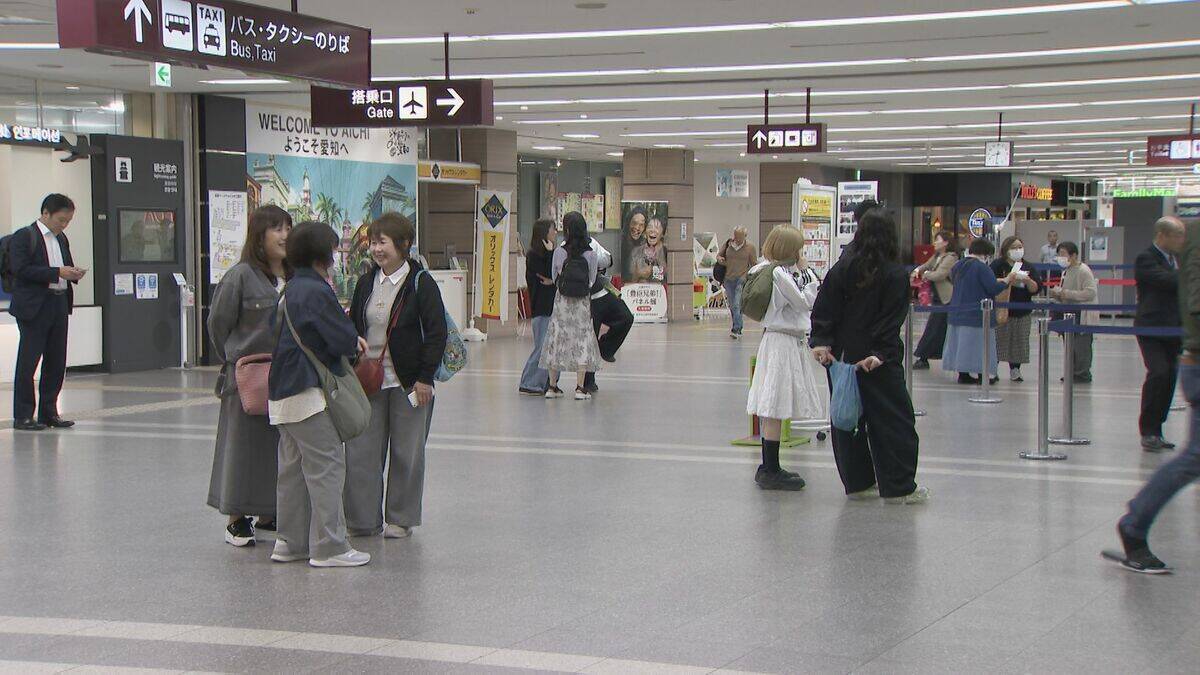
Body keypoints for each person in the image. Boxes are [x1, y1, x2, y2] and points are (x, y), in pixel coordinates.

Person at [267, 221, 370, 568]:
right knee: (326, 465)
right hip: (308, 393)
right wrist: (352, 341)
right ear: (321, 254)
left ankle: (290, 542)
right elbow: (340, 338)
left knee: (293, 470)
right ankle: (331, 546)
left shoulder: (289, 289)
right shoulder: (315, 290)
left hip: (281, 394)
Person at [811, 208, 927, 504]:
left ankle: (858, 482)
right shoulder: (894, 274)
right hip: (876, 360)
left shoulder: (843, 267)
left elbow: (825, 306)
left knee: (847, 418)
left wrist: (822, 342)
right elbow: (890, 320)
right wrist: (879, 353)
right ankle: (899, 486)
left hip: (841, 357)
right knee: (894, 422)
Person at [345, 213, 448, 540]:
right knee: (362, 452)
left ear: (403, 245)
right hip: (368, 382)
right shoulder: (366, 283)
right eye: (373, 242)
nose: (376, 249)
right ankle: (361, 520)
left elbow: (436, 333)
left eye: (383, 242)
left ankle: (400, 518)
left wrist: (424, 377)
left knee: (407, 453)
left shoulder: (421, 284)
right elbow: (355, 326)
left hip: (407, 383)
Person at [1106, 219, 1200, 574]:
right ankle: (1134, 524)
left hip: (1180, 340)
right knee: (1194, 457)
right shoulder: (1177, 249)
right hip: (1180, 344)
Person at [206, 205, 292, 547]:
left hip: (286, 376)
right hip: (247, 378)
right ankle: (236, 518)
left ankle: (269, 511)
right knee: (242, 447)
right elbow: (217, 325)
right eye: (277, 229)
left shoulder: (294, 276)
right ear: (259, 235)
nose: (285, 235)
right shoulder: (240, 276)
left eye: (288, 228)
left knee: (277, 445)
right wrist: (236, 361)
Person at [745, 224, 825, 490]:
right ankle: (770, 468)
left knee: (772, 405)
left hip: (774, 340)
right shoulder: (780, 273)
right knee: (775, 405)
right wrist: (807, 272)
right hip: (782, 343)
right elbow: (805, 301)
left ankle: (770, 465)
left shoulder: (762, 268)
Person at [9, 193, 85, 431]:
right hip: (34, 307)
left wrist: (72, 273)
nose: (64, 225)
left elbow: (63, 267)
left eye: (68, 221)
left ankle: (49, 413)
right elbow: (20, 270)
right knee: (29, 361)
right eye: (61, 220)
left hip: (58, 303)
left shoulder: (61, 238)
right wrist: (56, 273)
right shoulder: (25, 236)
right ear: (46, 213)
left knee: (56, 360)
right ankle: (23, 415)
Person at [1134, 217, 1186, 452]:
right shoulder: (1146, 259)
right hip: (1151, 327)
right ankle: (1147, 430)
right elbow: (1165, 281)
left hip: (1174, 328)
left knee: (1171, 376)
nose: (1180, 241)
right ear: (1162, 235)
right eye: (1177, 236)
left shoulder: (1176, 260)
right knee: (1159, 372)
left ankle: (1157, 429)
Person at [540, 212, 603, 400]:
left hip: (562, 303)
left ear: (566, 230)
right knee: (582, 341)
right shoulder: (591, 254)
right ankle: (580, 388)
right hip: (582, 304)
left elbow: (553, 277)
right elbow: (592, 280)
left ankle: (552, 387)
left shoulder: (559, 252)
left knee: (556, 339)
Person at [942, 239, 1018, 385]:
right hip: (977, 315)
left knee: (961, 346)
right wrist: (1007, 280)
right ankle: (982, 375)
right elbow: (993, 288)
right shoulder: (982, 268)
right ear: (985, 253)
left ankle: (963, 374)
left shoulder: (958, 265)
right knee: (980, 347)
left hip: (958, 312)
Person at [581, 234, 632, 394]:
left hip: (600, 294)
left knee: (626, 317)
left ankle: (606, 348)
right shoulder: (564, 248)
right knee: (589, 340)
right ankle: (588, 381)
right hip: (582, 299)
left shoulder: (590, 242)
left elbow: (608, 259)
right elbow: (606, 259)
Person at [991, 236, 1041, 382]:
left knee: (1019, 340)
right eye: (1013, 247)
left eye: (1020, 247)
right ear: (1006, 250)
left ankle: (1015, 369)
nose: (1017, 250)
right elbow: (989, 281)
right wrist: (1006, 280)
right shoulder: (997, 265)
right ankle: (993, 369)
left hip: (1022, 310)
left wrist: (1027, 280)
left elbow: (1036, 288)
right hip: (1001, 309)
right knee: (999, 340)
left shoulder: (1028, 267)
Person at [1049, 241, 1098, 383]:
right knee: (1070, 344)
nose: (1060, 257)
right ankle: (1072, 371)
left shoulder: (1083, 270)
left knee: (1081, 346)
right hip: (1068, 311)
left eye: (1063, 254)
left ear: (1074, 255)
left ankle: (1082, 373)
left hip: (1082, 313)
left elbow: (1090, 293)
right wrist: (1058, 293)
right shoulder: (1067, 270)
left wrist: (1067, 294)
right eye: (1059, 254)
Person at [910, 231, 959, 369]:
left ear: (946, 243)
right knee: (936, 327)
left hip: (946, 298)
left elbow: (940, 274)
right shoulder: (937, 256)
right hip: (938, 297)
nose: (935, 243)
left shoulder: (951, 257)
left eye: (938, 240)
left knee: (936, 327)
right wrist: (917, 270)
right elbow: (925, 265)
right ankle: (924, 356)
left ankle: (923, 356)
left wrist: (925, 274)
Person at [519, 219, 557, 396]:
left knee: (549, 347)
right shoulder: (534, 255)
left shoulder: (550, 253)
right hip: (541, 308)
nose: (555, 232)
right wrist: (550, 253)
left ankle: (545, 382)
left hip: (551, 307)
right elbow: (548, 274)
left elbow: (554, 277)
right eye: (552, 230)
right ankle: (529, 382)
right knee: (542, 347)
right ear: (544, 233)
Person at [717, 226, 757, 340]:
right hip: (728, 278)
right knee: (732, 305)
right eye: (735, 235)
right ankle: (737, 325)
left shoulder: (750, 247)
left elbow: (754, 263)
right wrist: (720, 259)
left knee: (736, 304)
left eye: (739, 236)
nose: (736, 238)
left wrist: (749, 275)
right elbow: (719, 255)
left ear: (745, 236)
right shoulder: (728, 244)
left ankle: (737, 328)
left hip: (741, 278)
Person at [630, 217, 667, 283]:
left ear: (662, 234)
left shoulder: (667, 252)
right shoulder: (636, 252)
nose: (652, 230)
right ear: (645, 232)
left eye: (657, 227)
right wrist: (638, 274)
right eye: (649, 227)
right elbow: (629, 280)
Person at [622, 207, 647, 279]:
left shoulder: (645, 244)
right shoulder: (621, 241)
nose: (637, 227)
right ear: (628, 223)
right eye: (634, 223)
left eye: (641, 225)